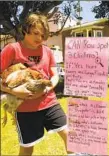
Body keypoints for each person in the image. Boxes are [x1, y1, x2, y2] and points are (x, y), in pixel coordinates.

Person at [0, 13, 74, 156]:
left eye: (43, 35)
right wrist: (14, 92)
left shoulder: (47, 51)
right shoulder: (12, 49)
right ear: (25, 29)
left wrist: (46, 89)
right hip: (25, 110)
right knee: (27, 148)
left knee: (70, 136)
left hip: (50, 103)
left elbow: (55, 75)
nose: (39, 38)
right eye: (36, 33)